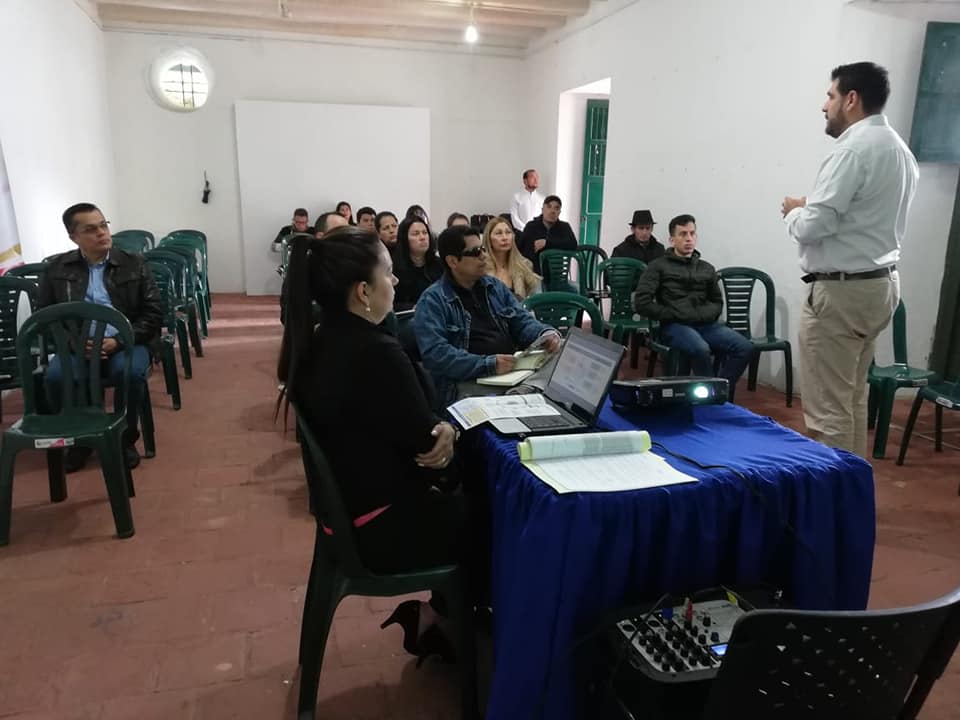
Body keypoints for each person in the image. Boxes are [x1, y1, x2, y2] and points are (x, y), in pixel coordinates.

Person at [277, 226, 466, 662]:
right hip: (382, 532)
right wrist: (450, 434)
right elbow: (431, 453)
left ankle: (444, 619)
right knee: (503, 515)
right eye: (387, 272)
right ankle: (453, 622)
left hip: (349, 518)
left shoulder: (319, 339)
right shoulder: (376, 353)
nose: (395, 281)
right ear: (363, 291)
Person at [782, 62, 918, 456]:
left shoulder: (852, 151)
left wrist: (794, 211)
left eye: (830, 96)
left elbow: (812, 228)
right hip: (878, 284)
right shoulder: (899, 150)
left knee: (827, 413)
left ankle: (835, 495)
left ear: (851, 99)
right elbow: (862, 214)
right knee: (853, 400)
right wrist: (813, 205)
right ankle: (855, 485)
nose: (824, 105)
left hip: (841, 294)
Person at [40, 203, 162, 471]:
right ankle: (80, 440)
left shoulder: (134, 263)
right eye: (91, 229)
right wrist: (73, 343)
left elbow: (153, 313)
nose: (102, 233)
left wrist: (119, 340)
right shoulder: (57, 269)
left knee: (129, 374)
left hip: (126, 342)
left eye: (103, 225)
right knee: (56, 377)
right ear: (74, 237)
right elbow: (46, 318)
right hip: (78, 346)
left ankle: (124, 439)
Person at [415, 225, 561, 409]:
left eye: (483, 249)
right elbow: (437, 355)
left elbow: (521, 320)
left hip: (509, 372)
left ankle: (524, 391)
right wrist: (488, 364)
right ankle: (526, 392)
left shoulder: (494, 287)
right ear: (452, 261)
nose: (484, 256)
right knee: (548, 386)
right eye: (475, 252)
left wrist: (543, 334)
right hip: (468, 381)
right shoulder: (433, 301)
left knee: (561, 348)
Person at [633, 214, 754, 401]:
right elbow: (642, 302)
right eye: (683, 234)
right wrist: (670, 314)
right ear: (672, 240)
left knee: (745, 347)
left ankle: (720, 391)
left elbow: (717, 301)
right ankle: (710, 399)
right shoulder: (658, 267)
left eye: (692, 233)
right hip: (675, 326)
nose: (688, 239)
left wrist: (703, 315)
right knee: (700, 349)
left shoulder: (706, 268)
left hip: (706, 325)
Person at [483, 216, 540, 301]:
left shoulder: (524, 265)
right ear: (489, 239)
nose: (505, 238)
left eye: (508, 232)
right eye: (498, 233)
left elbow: (532, 299)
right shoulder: (481, 268)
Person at [518, 195, 578, 276]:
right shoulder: (531, 226)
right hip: (533, 273)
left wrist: (547, 243)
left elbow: (573, 245)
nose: (552, 211)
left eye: (556, 208)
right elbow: (520, 248)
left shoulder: (564, 227)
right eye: (549, 207)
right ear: (542, 209)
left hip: (556, 275)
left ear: (559, 212)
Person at [393, 217, 443, 311]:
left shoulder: (439, 264)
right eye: (416, 234)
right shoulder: (394, 268)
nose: (422, 237)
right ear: (405, 239)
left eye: (425, 232)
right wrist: (412, 307)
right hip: (409, 315)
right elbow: (390, 304)